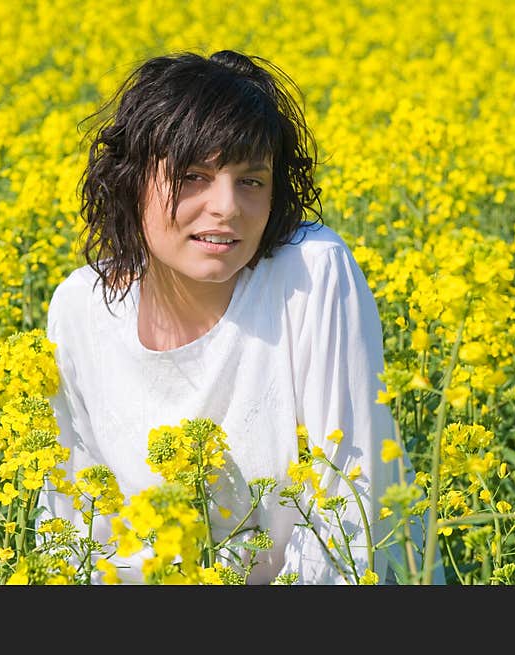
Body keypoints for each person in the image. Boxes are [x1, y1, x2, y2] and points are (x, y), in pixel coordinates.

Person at [40, 49, 432, 584]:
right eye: (193, 175)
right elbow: (71, 533)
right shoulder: (79, 308)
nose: (226, 206)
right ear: (130, 181)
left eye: (251, 180)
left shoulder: (311, 274)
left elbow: (349, 516)